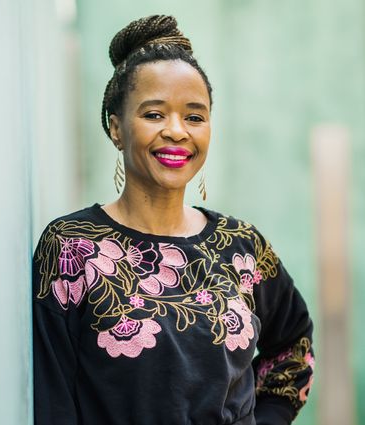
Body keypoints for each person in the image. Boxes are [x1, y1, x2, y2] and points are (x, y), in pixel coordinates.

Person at [32, 15, 314, 425]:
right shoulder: (73, 247)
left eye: (195, 116)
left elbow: (294, 345)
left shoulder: (241, 246)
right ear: (116, 128)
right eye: (154, 114)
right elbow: (53, 399)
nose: (177, 131)